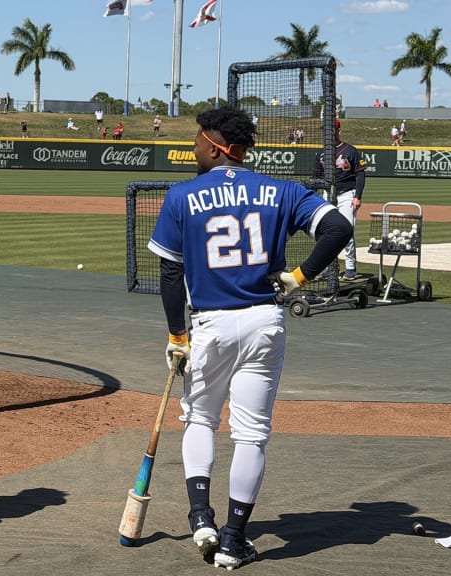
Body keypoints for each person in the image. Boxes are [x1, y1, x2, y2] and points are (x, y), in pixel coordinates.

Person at [147, 106, 352, 570]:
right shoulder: (282, 190)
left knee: (200, 420)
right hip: (263, 321)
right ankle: (233, 540)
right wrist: (299, 276)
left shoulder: (182, 197)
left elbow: (169, 272)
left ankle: (201, 518)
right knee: (251, 435)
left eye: (199, 141)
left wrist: (176, 334)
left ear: (219, 147)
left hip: (209, 326)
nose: (193, 148)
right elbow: (338, 228)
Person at [313, 118, 367, 281]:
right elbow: (315, 177)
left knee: (347, 231)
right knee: (324, 233)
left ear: (339, 131)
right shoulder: (320, 153)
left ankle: (350, 268)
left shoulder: (351, 151)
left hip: (347, 195)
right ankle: (329, 269)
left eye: (332, 129)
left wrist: (357, 196)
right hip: (326, 195)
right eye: (326, 130)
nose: (329, 132)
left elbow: (360, 174)